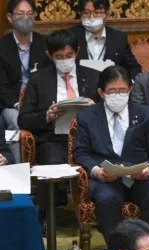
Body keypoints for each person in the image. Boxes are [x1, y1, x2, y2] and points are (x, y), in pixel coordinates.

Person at [73, 66, 149, 250]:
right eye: (112, 91)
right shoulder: (87, 117)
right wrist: (95, 171)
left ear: (130, 89)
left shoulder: (144, 114)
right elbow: (80, 153)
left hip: (140, 176)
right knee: (107, 199)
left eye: (123, 90)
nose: (118, 95)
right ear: (101, 93)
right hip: (106, 178)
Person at [18, 29, 99, 213]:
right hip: (54, 141)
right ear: (49, 55)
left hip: (90, 141)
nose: (65, 60)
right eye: (59, 56)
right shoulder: (39, 79)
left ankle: (98, 212)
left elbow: (109, 111)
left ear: (77, 52)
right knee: (51, 160)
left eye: (69, 55)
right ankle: (46, 216)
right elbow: (23, 119)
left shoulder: (93, 76)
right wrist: (47, 115)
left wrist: (96, 110)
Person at [0, 0, 49, 129]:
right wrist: (18, 104)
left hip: (39, 101)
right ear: (10, 18)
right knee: (17, 123)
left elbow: (48, 78)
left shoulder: (45, 44)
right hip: (12, 103)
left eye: (29, 14)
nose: (25, 18)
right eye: (20, 14)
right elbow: (0, 86)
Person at [72, 0, 141, 78]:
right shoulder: (70, 36)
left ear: (107, 14)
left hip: (110, 87)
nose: (91, 17)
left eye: (97, 12)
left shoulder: (119, 38)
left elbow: (134, 68)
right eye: (86, 12)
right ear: (81, 14)